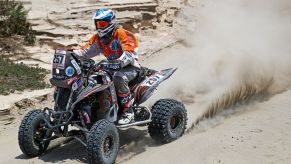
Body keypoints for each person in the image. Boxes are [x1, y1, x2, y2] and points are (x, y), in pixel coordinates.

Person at [73, 8, 140, 125]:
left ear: (111, 22)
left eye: (102, 23)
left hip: (130, 68)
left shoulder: (120, 33)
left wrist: (120, 62)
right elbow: (85, 52)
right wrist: (70, 53)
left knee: (118, 78)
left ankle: (128, 112)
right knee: (91, 79)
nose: (99, 27)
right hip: (110, 68)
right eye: (97, 24)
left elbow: (129, 52)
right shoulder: (98, 39)